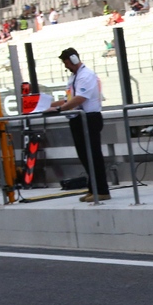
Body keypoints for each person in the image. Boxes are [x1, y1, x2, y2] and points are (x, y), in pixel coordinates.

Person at [55, 48, 110, 202]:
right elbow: (70, 99)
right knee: (85, 157)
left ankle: (102, 190)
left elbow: (80, 98)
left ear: (73, 59)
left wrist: (60, 108)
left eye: (67, 62)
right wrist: (50, 105)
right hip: (78, 119)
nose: (66, 66)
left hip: (89, 118)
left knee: (93, 155)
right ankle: (93, 188)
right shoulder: (74, 77)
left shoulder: (86, 75)